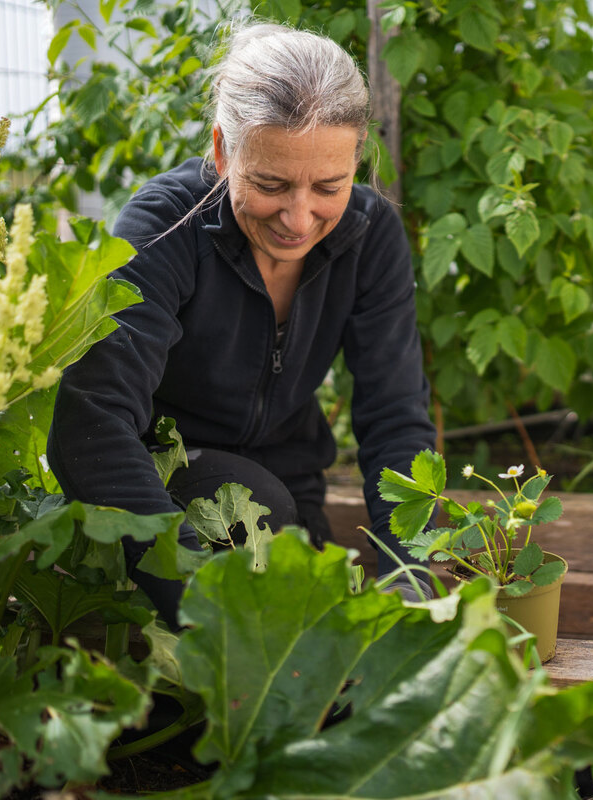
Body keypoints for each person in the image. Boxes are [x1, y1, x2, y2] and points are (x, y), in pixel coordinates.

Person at [48, 21, 436, 628]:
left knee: (305, 581)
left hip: (288, 490)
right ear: (224, 150)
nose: (299, 220)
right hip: (160, 491)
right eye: (270, 184)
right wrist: (202, 612)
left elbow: (395, 416)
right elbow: (90, 423)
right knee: (258, 521)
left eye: (328, 186)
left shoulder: (369, 235)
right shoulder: (165, 227)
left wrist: (414, 578)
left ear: (356, 158)